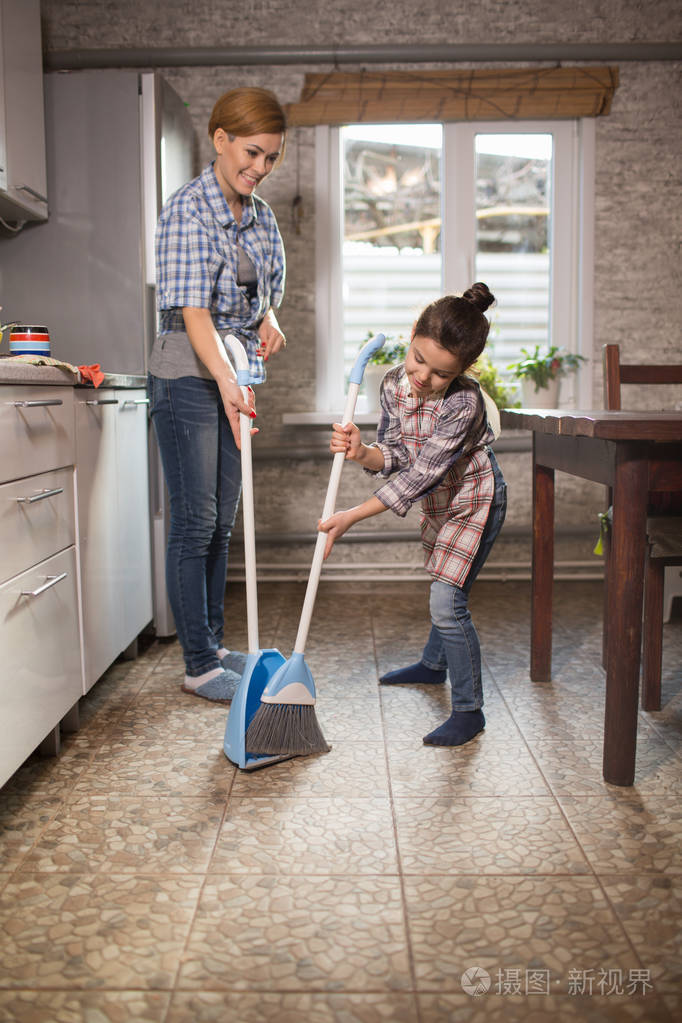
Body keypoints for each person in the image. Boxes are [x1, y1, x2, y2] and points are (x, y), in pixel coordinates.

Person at [319, 284, 507, 746]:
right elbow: (398, 454)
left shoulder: (464, 402)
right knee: (444, 584)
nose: (423, 376)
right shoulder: (390, 385)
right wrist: (363, 451)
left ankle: (469, 711)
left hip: (476, 499)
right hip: (441, 500)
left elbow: (420, 474)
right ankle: (432, 665)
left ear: (462, 372)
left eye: (441, 373)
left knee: (448, 602)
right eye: (419, 358)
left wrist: (351, 515)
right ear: (411, 338)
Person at [148, 87, 288, 702]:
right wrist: (227, 385)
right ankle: (198, 662)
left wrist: (269, 319)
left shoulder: (260, 216)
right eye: (252, 153)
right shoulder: (187, 211)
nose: (258, 169)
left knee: (222, 522)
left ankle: (217, 642)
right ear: (220, 139)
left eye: (271, 160)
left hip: (235, 370)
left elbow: (263, 295)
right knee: (196, 520)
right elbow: (194, 312)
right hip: (186, 372)